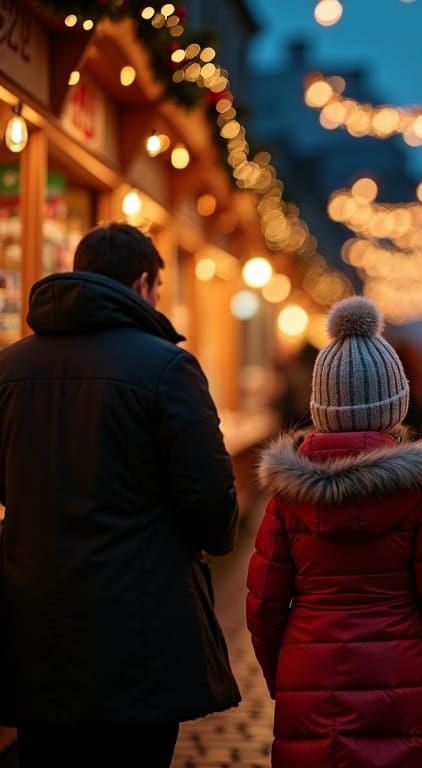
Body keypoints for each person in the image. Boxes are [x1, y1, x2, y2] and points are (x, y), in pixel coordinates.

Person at [0, 222, 241, 768]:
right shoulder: (166, 368)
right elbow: (212, 508)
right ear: (143, 284)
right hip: (138, 637)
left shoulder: (9, 368)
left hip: (33, 627)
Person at [246, 295, 422, 768]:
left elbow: (264, 602)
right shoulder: (420, 493)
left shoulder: (288, 497)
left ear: (320, 406)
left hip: (309, 672)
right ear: (396, 405)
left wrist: (281, 676)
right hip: (405, 673)